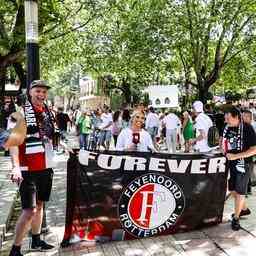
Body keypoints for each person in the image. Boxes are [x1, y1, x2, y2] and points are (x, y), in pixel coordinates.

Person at [8, 80, 56, 256]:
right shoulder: (19, 114)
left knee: (41, 204)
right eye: (38, 91)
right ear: (30, 92)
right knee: (29, 210)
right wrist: (15, 167)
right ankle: (15, 249)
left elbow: (51, 136)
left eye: (44, 91)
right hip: (27, 169)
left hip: (46, 165)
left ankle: (36, 239)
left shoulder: (48, 112)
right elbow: (13, 142)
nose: (41, 94)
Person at [222, 106, 256, 231]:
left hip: (244, 164)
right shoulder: (227, 128)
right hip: (231, 163)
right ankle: (244, 209)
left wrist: (236, 156)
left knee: (240, 191)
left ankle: (236, 218)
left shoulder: (247, 128)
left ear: (236, 117)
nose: (226, 121)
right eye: (225, 118)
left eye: (228, 118)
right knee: (234, 190)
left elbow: (254, 150)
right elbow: (224, 142)